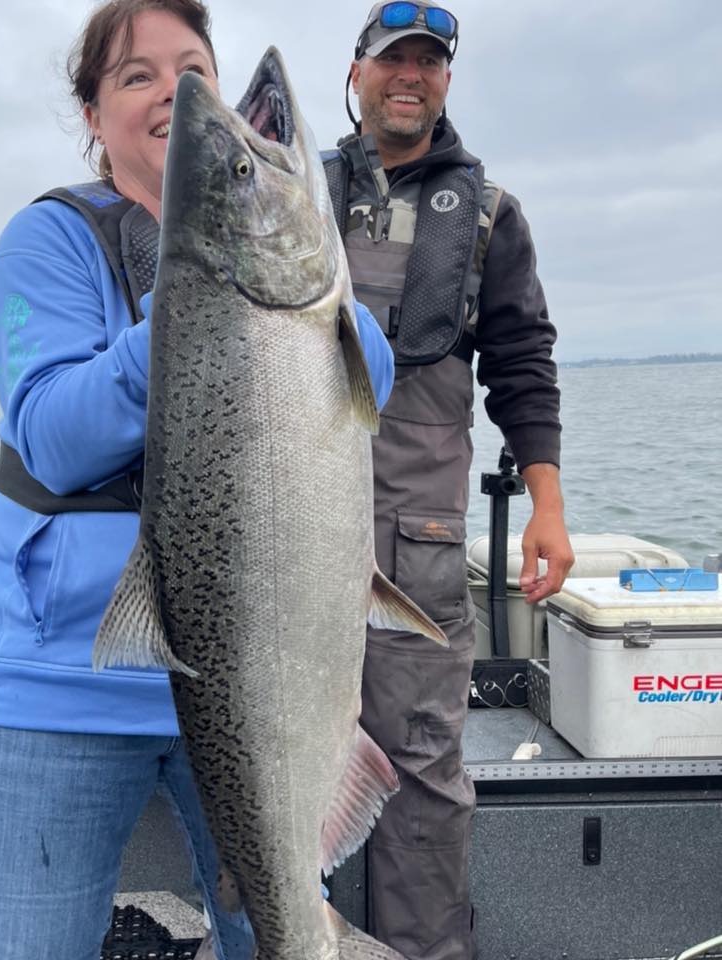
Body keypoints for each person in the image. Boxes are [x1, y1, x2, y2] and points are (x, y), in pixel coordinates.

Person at [0, 2, 396, 959]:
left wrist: (268, 292)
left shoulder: (292, 258)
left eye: (195, 69)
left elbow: (370, 383)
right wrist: (198, 313)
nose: (176, 91)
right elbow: (54, 439)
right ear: (94, 117)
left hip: (257, 684)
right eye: (137, 75)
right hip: (51, 685)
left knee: (273, 923)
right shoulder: (44, 245)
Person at [327, 4, 576, 959]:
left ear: (445, 82)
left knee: (424, 775)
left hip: (417, 552)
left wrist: (546, 506)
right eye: (395, 58)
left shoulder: (490, 215)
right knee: (267, 751)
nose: (411, 76)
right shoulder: (294, 200)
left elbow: (524, 362)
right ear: (357, 73)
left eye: (430, 62)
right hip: (288, 535)